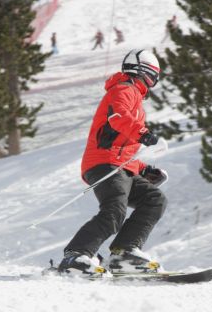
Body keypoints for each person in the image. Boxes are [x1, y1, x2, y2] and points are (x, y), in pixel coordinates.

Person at [59, 49, 168, 274]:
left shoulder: (134, 97)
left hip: (120, 166)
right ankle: (76, 256)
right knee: (115, 211)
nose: (152, 82)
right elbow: (118, 117)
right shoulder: (123, 89)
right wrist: (146, 135)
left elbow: (124, 148)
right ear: (146, 73)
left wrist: (144, 169)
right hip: (103, 163)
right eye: (153, 76)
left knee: (154, 199)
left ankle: (124, 253)